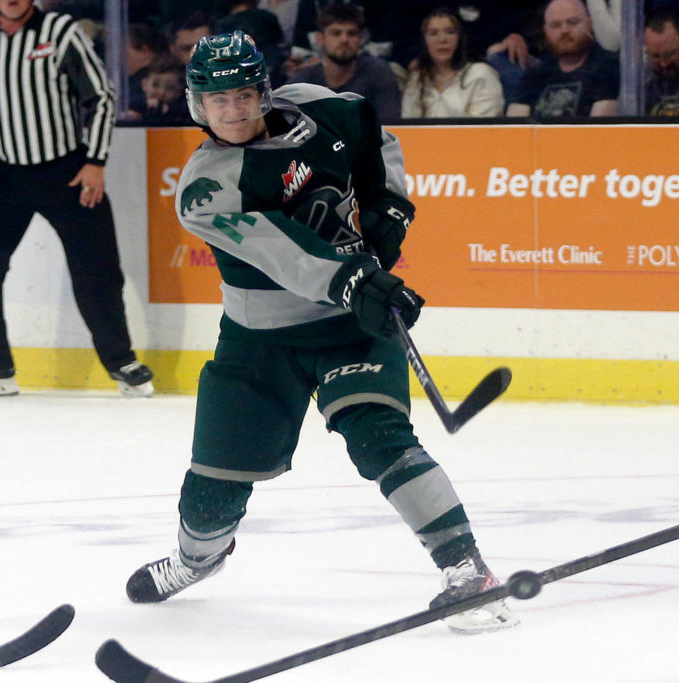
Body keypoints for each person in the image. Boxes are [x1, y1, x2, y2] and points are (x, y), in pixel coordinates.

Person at [123, 30, 518, 635]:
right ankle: (197, 560)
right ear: (196, 106)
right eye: (216, 101)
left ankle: (469, 571)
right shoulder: (205, 189)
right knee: (214, 488)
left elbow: (374, 138)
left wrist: (389, 209)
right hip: (261, 343)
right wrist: (360, 280)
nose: (232, 112)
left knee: (381, 439)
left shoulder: (320, 106)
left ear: (264, 90)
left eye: (243, 96)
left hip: (350, 325)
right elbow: (290, 255)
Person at [0, 0, 154, 398]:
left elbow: (101, 97)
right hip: (2, 172)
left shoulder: (60, 31)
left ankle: (122, 362)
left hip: (67, 170)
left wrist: (95, 160)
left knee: (97, 269)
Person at [287, 3, 400, 122]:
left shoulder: (379, 72)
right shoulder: (303, 81)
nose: (344, 40)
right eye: (336, 33)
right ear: (320, 39)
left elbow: (390, 124)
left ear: (360, 38)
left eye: (351, 33)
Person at [506, 0, 619, 118]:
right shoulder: (536, 74)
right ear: (546, 31)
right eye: (556, 25)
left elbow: (599, 127)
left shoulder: (608, 67)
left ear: (589, 24)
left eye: (573, 22)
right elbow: (515, 124)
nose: (565, 30)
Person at [401, 7, 503, 118]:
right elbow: (408, 125)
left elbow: (482, 129)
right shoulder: (418, 78)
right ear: (424, 41)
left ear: (461, 38)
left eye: (450, 32)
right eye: (433, 33)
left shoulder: (480, 75)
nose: (442, 40)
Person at [127, 53, 191, 123]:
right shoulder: (135, 104)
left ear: (179, 92)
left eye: (170, 88)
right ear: (144, 85)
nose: (161, 92)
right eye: (155, 85)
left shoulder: (182, 110)